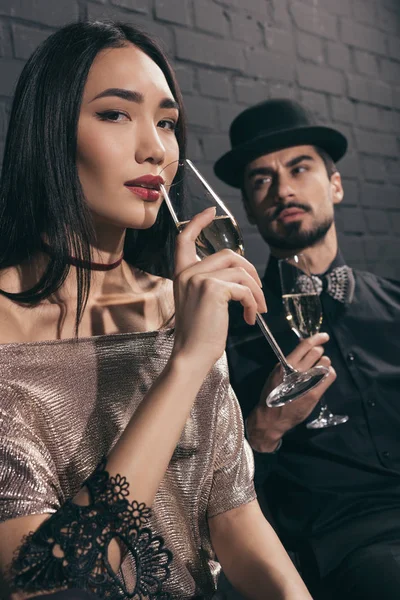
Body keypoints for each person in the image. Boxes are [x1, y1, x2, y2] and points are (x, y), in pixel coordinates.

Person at [0, 22, 314, 600]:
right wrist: (188, 361)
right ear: (50, 129)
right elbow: (47, 581)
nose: (157, 148)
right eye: (116, 114)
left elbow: (236, 519)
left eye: (166, 122)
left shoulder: (181, 305)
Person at [214, 98, 400, 600]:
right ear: (249, 208)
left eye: (300, 168)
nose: (283, 190)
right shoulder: (230, 327)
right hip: (348, 549)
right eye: (261, 180)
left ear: (335, 185)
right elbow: (219, 497)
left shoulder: (395, 302)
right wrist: (264, 429)